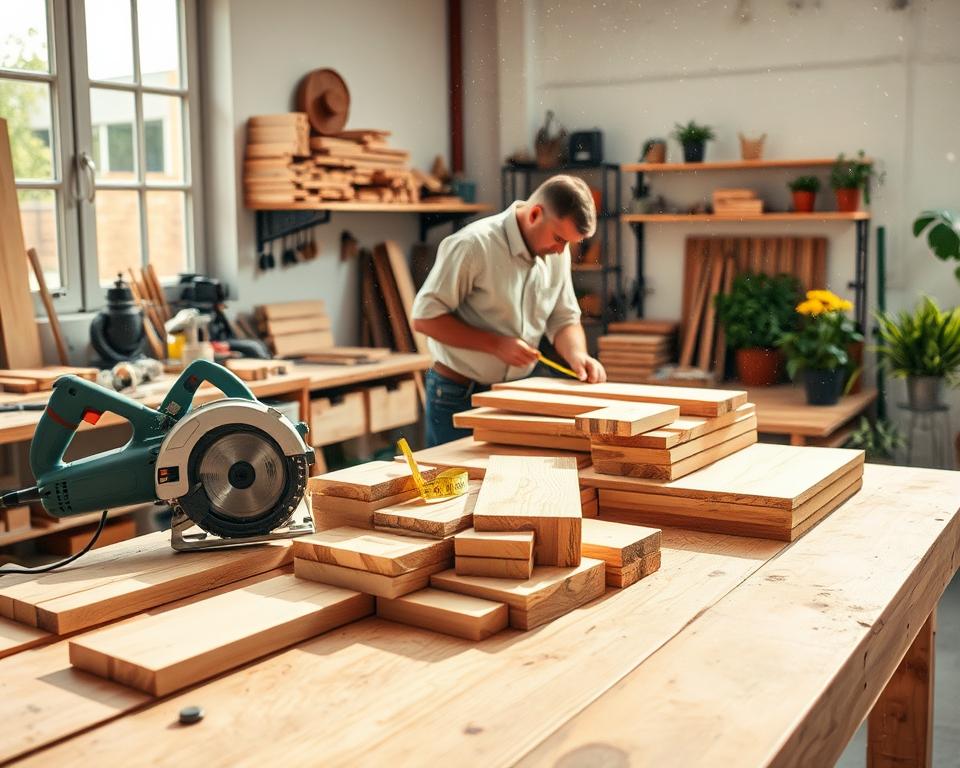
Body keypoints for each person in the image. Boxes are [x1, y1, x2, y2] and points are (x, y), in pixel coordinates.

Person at [412, 174, 606, 447]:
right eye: (559, 239)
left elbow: (563, 318)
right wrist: (495, 344)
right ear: (535, 214)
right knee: (456, 486)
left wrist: (577, 355)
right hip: (457, 394)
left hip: (515, 393)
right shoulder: (473, 245)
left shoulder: (555, 253)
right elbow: (424, 319)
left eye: (569, 244)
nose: (562, 251)